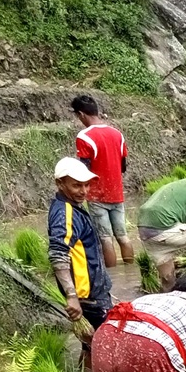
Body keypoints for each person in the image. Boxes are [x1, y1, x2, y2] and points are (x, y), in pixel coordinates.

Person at [48, 157, 113, 334]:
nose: (84, 191)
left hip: (92, 294)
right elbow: (58, 254)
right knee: (103, 344)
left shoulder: (72, 206)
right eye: (77, 186)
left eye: (87, 185)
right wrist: (72, 296)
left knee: (91, 343)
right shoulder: (65, 214)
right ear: (60, 184)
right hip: (87, 298)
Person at [72, 94, 133, 267]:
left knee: (105, 239)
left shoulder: (84, 137)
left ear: (81, 114)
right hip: (117, 194)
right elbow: (123, 167)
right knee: (123, 236)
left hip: (97, 196)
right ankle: (131, 270)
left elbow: (83, 170)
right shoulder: (117, 134)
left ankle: (112, 276)